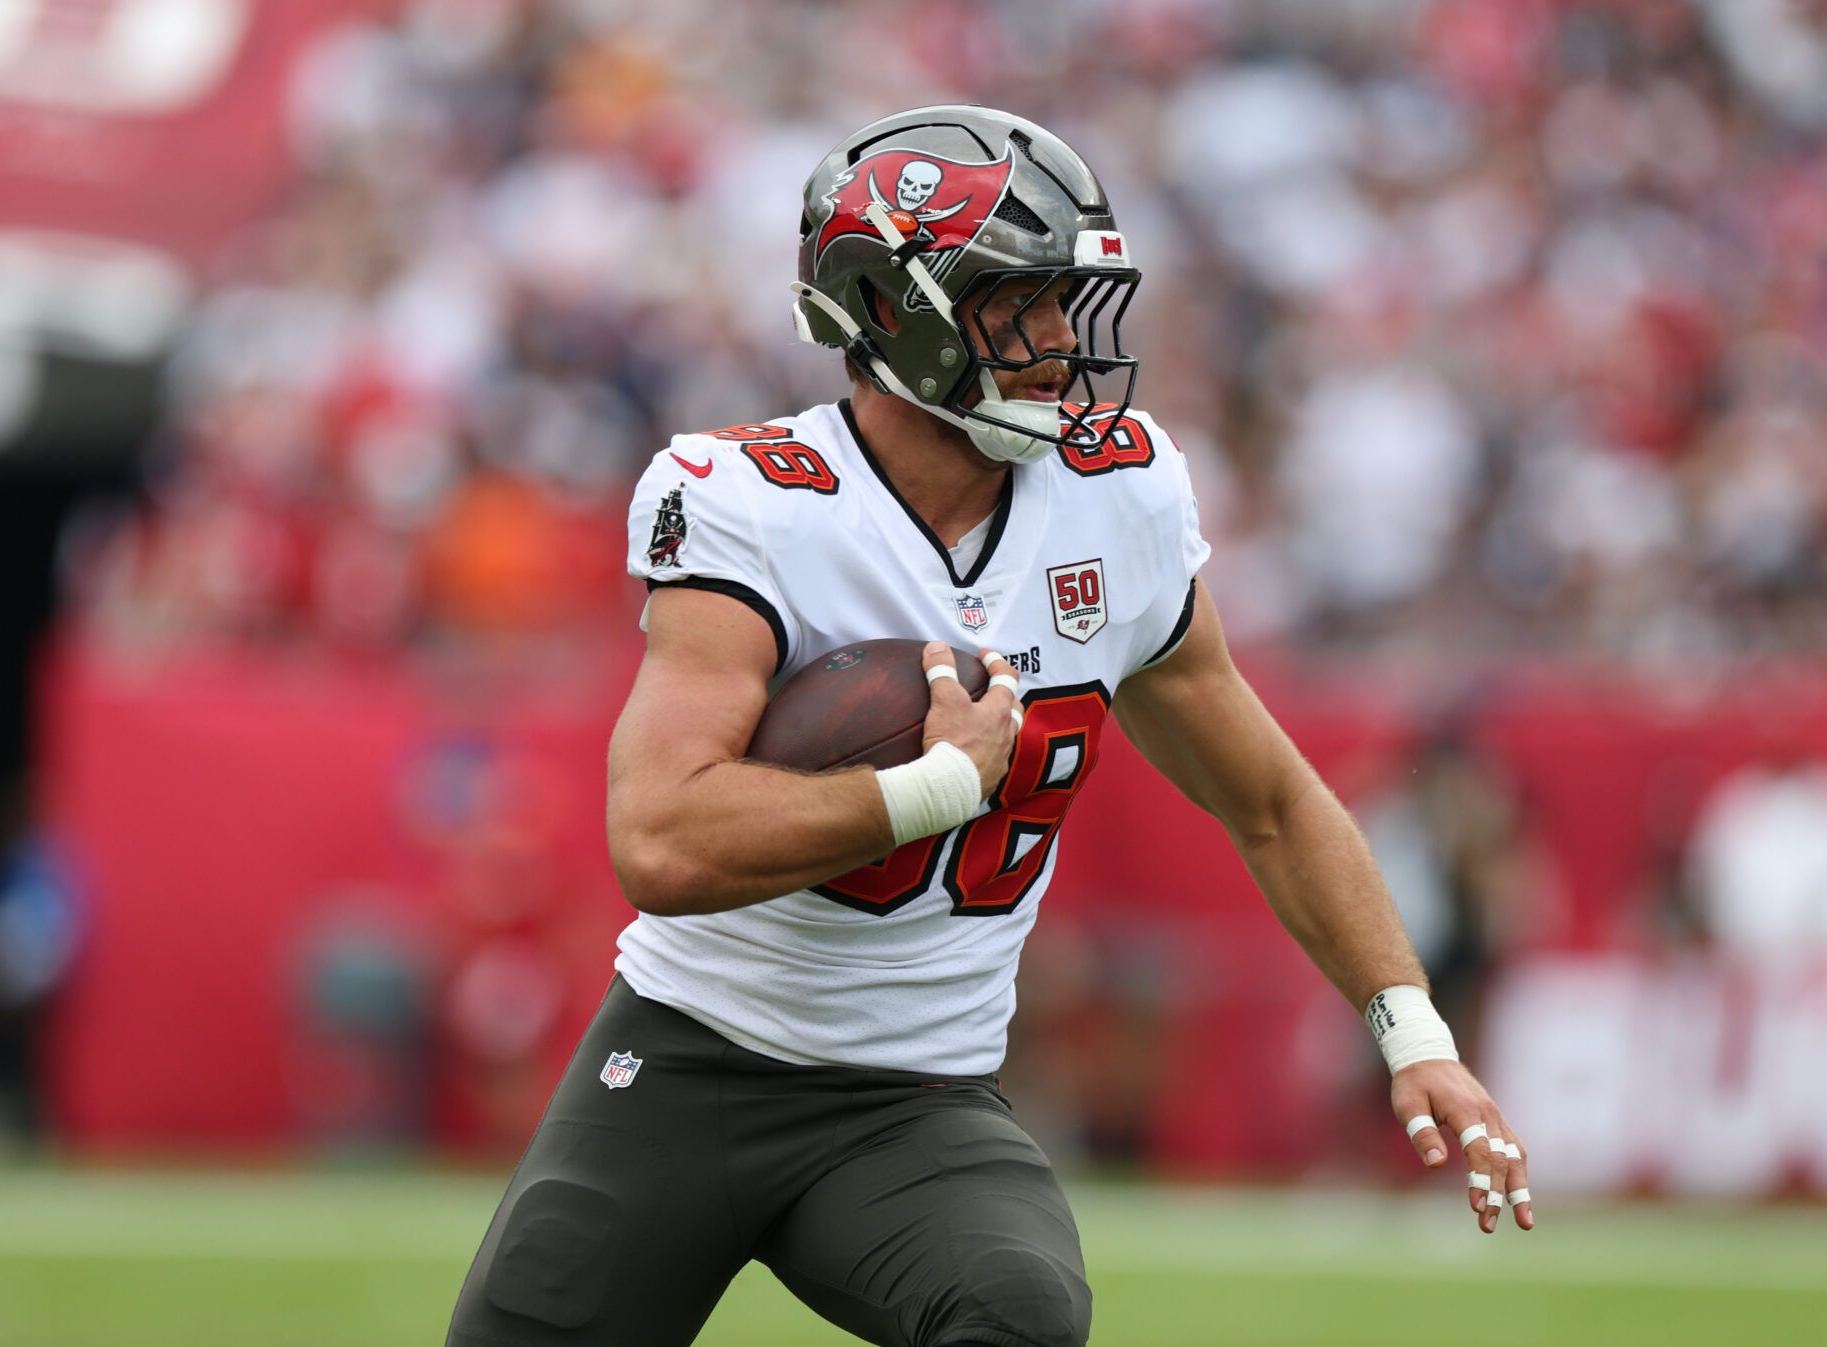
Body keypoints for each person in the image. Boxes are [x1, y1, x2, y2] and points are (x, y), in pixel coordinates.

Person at [447, 105, 1531, 1347]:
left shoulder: (1117, 496)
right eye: (1020, 302)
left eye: (1067, 301)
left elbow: (1274, 803)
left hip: (914, 1101)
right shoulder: (756, 501)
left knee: (1017, 1312)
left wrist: (1412, 1032)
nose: (1062, 341)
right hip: (691, 1061)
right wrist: (932, 787)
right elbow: (659, 840)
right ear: (893, 310)